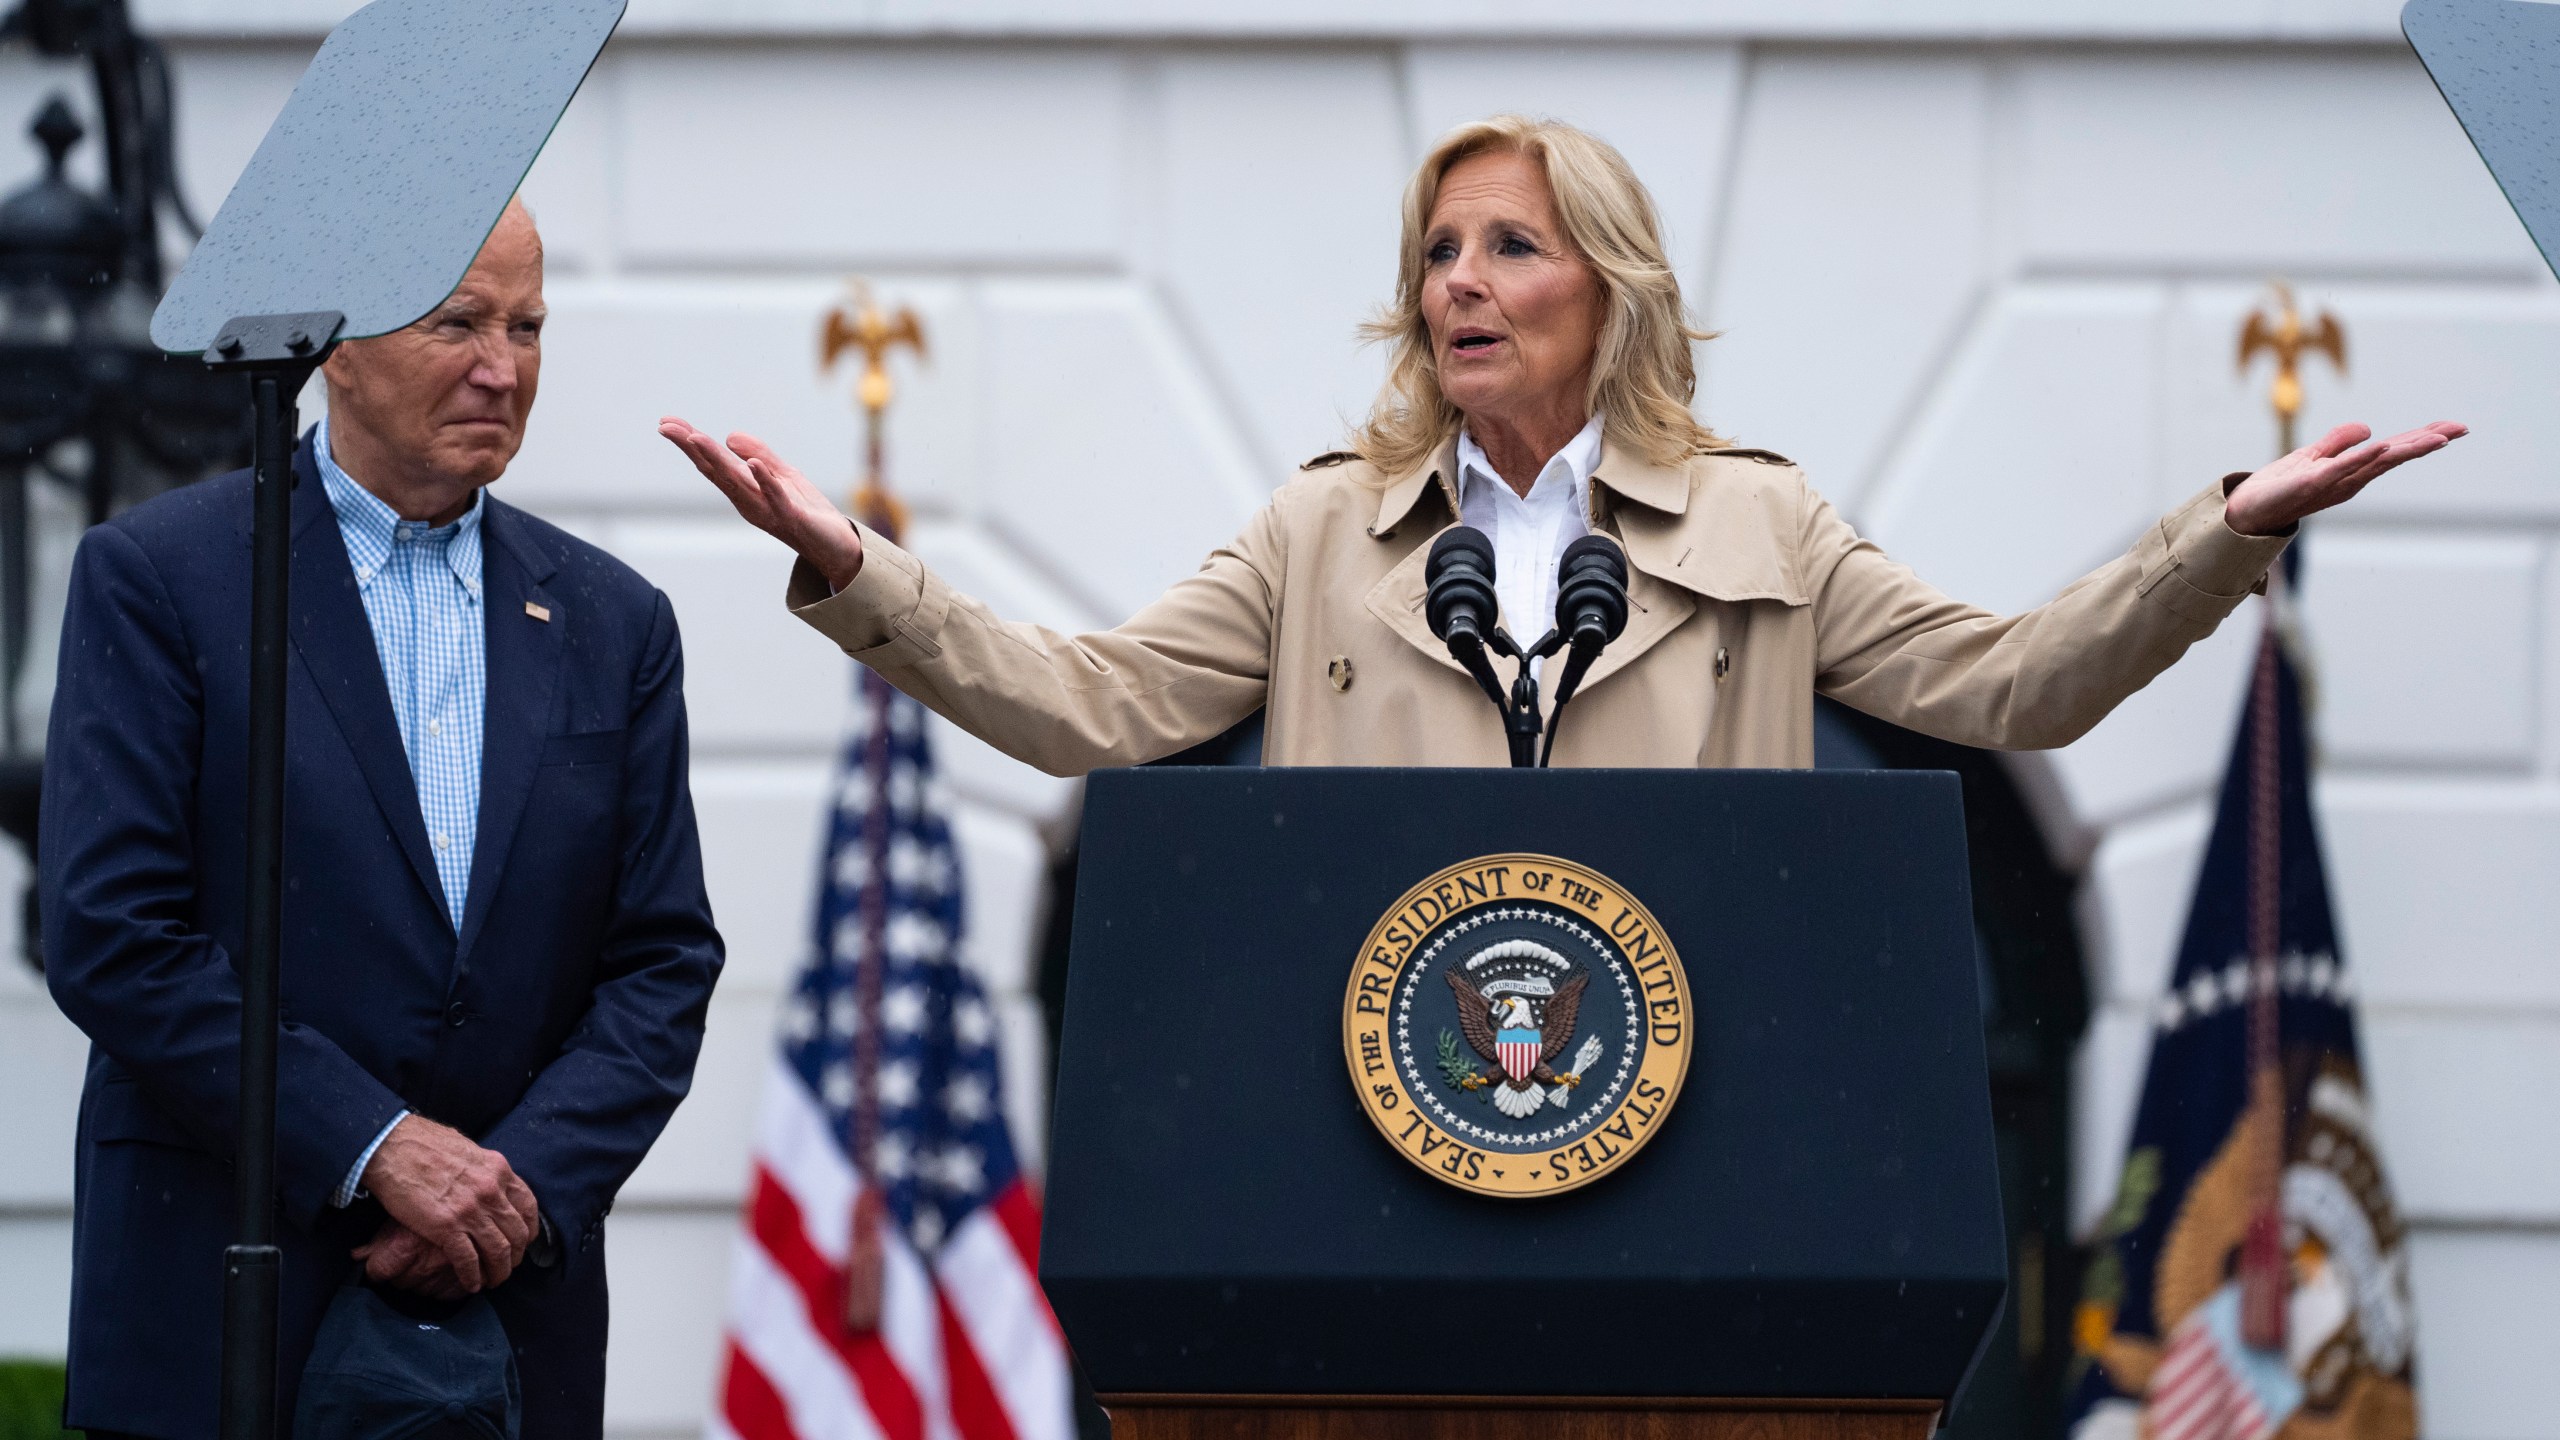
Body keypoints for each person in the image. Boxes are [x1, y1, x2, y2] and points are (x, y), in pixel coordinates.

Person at [658, 115, 2464, 772]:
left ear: (1608, 291)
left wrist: (2227, 529)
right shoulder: (1323, 538)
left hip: (1690, 1130)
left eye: (1511, 246)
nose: (1464, 284)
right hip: (1374, 1120)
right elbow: (1092, 706)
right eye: (1439, 253)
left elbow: (2014, 690)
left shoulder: (1763, 531)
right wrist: (852, 570)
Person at [43, 199, 724, 1439]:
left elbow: (662, 964)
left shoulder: (613, 623)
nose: (500, 367)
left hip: (506, 1332)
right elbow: (112, 934)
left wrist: (512, 1191)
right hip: (222, 1317)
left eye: (527, 326)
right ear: (335, 345)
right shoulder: (167, 579)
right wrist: (374, 1146)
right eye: (458, 320)